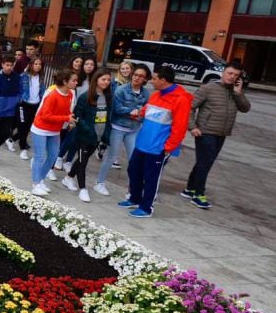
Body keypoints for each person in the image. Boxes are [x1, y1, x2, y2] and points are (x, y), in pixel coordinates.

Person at [118, 67, 193, 218]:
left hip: (158, 147)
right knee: (133, 170)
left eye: (154, 78)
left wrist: (168, 148)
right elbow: (146, 111)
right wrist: (138, 114)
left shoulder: (181, 100)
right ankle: (135, 198)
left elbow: (180, 127)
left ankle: (146, 208)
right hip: (143, 143)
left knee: (151, 177)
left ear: (163, 80)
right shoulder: (156, 95)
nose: (151, 81)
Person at [181, 60, 250, 209]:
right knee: (205, 162)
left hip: (222, 133)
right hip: (205, 131)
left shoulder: (234, 92)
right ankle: (198, 194)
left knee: (204, 161)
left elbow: (245, 108)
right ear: (223, 72)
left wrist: (238, 93)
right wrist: (192, 127)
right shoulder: (208, 88)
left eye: (236, 75)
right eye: (229, 73)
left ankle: (189, 188)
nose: (232, 77)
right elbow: (189, 108)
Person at [94, 63, 150, 195]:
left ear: (145, 79)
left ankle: (132, 189)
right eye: (135, 75)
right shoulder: (121, 90)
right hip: (118, 127)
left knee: (134, 159)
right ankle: (99, 182)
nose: (137, 78)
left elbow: (146, 110)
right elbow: (117, 108)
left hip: (133, 129)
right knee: (111, 156)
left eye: (141, 76)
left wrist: (140, 116)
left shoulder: (146, 93)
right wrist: (133, 111)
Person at [62, 70, 113, 202]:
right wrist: (88, 129)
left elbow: (108, 118)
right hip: (84, 136)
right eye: (103, 79)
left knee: (81, 160)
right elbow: (78, 116)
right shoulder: (85, 97)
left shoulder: (108, 97)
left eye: (108, 80)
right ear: (96, 80)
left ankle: (68, 178)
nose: (106, 82)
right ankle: (83, 189)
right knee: (83, 162)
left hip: (98, 137)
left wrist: (105, 135)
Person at [28, 69, 78, 195]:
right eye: (74, 80)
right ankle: (35, 184)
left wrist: (70, 120)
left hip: (54, 130)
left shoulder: (70, 94)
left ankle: (40, 180)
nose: (76, 83)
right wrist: (66, 119)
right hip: (40, 129)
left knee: (53, 157)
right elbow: (45, 115)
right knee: (39, 156)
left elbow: (66, 111)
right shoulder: (52, 95)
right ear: (65, 81)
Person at [55, 57, 93, 170]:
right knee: (71, 137)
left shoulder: (94, 80)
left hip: (87, 112)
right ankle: (59, 157)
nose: (89, 66)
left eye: (91, 64)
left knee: (79, 138)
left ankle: (69, 160)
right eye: (86, 64)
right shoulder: (76, 79)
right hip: (75, 111)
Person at [15, 57, 45, 161]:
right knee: (22, 126)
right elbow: (18, 90)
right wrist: (19, 101)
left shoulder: (41, 78)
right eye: (36, 64)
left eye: (39, 64)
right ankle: (23, 149)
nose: (38, 66)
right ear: (31, 65)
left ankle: (11, 139)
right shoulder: (23, 76)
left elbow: (42, 92)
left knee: (28, 127)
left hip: (35, 105)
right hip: (24, 104)